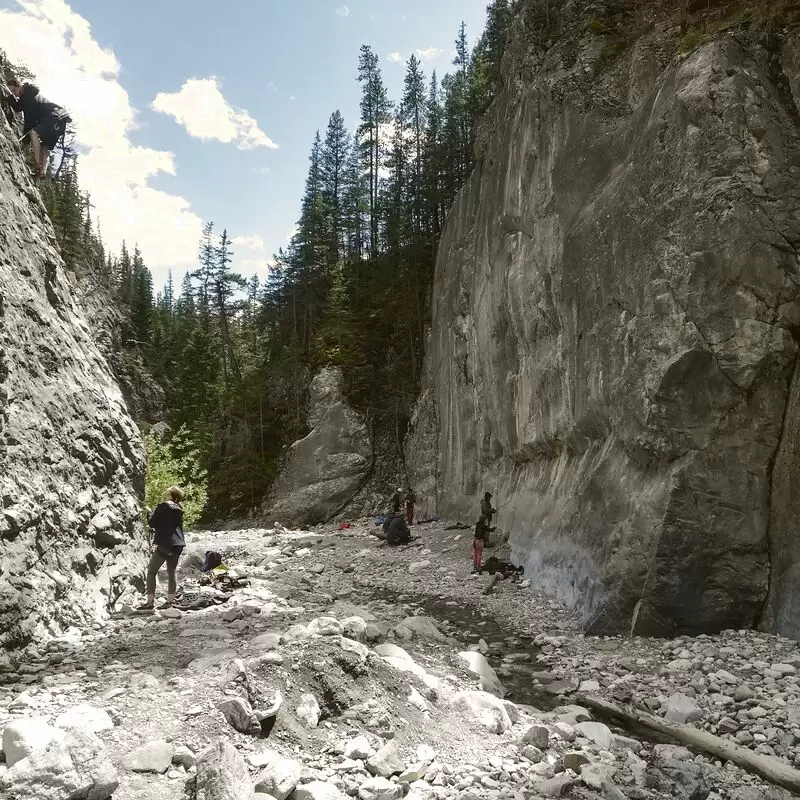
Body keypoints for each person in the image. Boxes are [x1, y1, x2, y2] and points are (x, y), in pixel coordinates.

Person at [5, 78, 71, 179]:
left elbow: (29, 122)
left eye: (14, 90)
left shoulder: (28, 97)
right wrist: (11, 98)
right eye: (12, 92)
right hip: (60, 119)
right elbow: (19, 107)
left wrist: (24, 143)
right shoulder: (29, 94)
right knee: (45, 147)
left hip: (54, 116)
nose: (14, 94)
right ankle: (42, 172)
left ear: (19, 86)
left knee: (33, 133)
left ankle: (37, 164)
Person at [138, 486, 186, 611]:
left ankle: (149, 603)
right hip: (179, 543)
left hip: (166, 543)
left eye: (167, 490)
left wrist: (149, 513)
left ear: (170, 493)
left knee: (151, 572)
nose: (165, 491)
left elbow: (152, 524)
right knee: (172, 572)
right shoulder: (179, 508)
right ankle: (169, 602)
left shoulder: (162, 506)